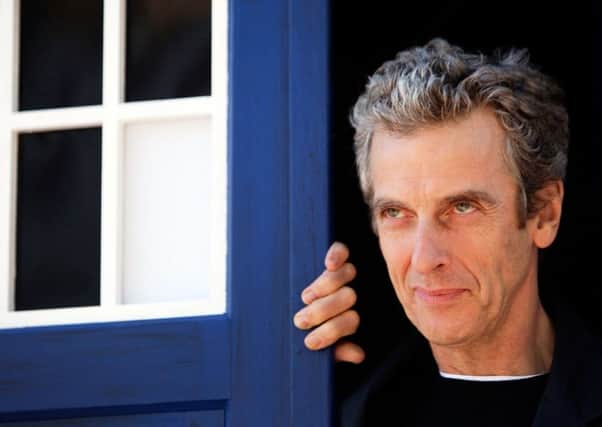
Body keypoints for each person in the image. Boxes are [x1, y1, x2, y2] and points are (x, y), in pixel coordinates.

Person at [293, 39, 602, 426]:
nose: (425, 259)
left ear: (544, 214)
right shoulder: (347, 413)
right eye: (396, 212)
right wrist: (293, 389)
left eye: (461, 207)